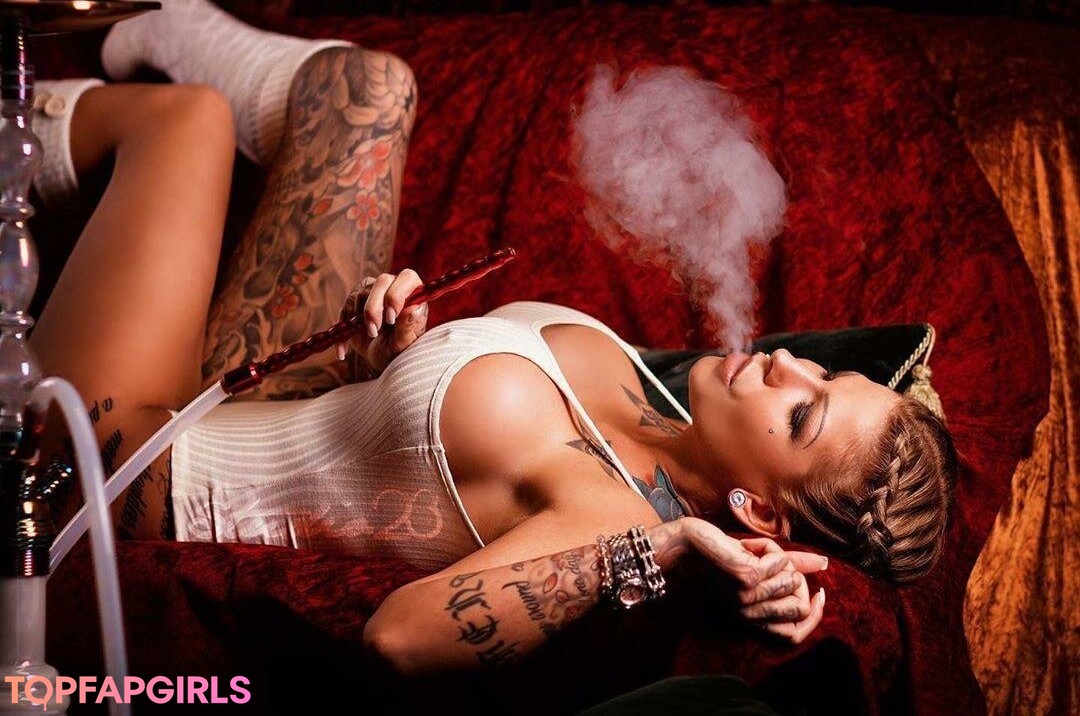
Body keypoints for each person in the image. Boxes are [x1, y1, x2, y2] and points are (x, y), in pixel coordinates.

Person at [28, 0, 956, 679]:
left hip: (115, 467)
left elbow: (398, 638)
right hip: (262, 387)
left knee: (187, 124)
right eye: (823, 372)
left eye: (803, 414)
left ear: (759, 514)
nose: (789, 363)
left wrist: (672, 548)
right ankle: (132, 29)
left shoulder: (615, 520)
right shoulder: (656, 404)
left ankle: (31, 62)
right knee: (367, 90)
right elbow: (395, 455)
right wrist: (384, 355)